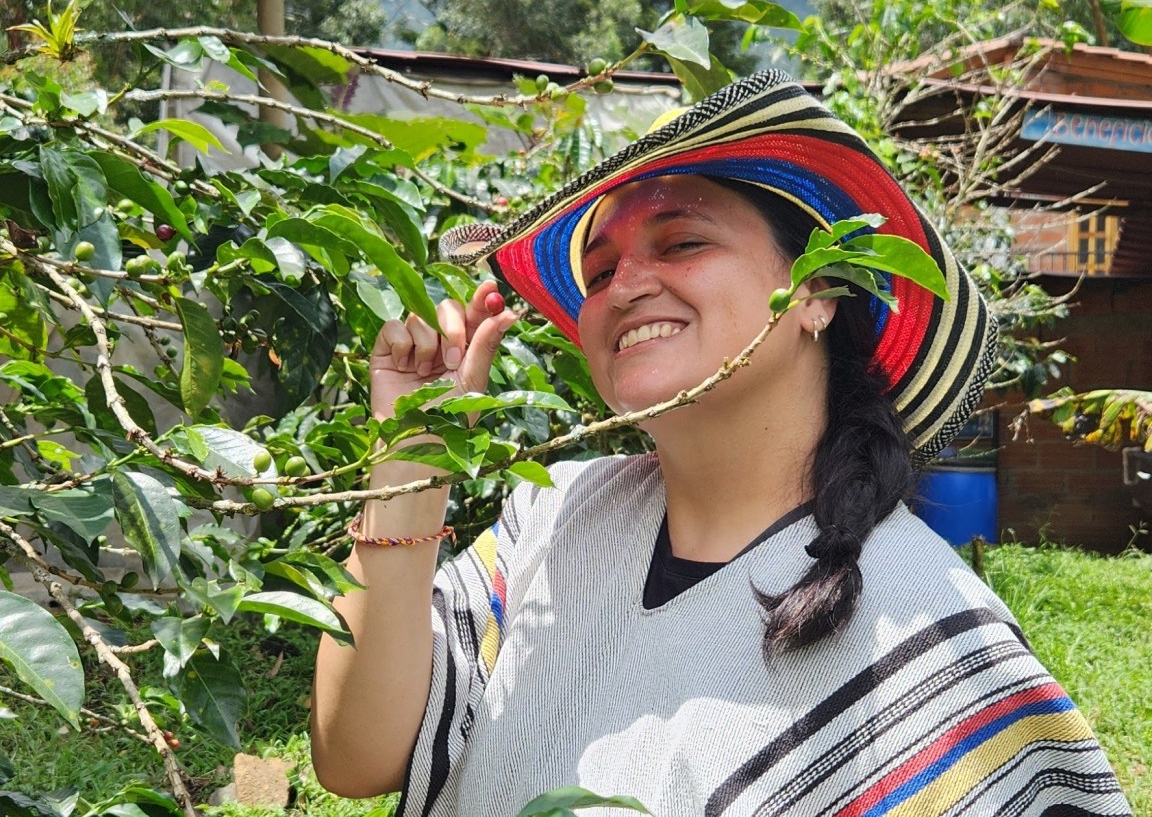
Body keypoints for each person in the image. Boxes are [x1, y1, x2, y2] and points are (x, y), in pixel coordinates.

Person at [311, 71, 1132, 816]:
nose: (625, 286)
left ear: (815, 291)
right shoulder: (552, 520)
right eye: (599, 272)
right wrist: (410, 462)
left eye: (682, 242)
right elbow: (354, 758)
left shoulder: (932, 639)